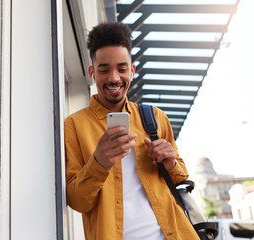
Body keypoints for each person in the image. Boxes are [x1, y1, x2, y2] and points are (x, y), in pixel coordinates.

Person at [64, 22, 198, 240]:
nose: (114, 78)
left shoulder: (155, 118)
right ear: (92, 73)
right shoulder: (74, 125)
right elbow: (77, 201)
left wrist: (170, 162)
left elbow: (180, 177)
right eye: (104, 69)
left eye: (122, 68)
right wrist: (99, 163)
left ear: (132, 70)